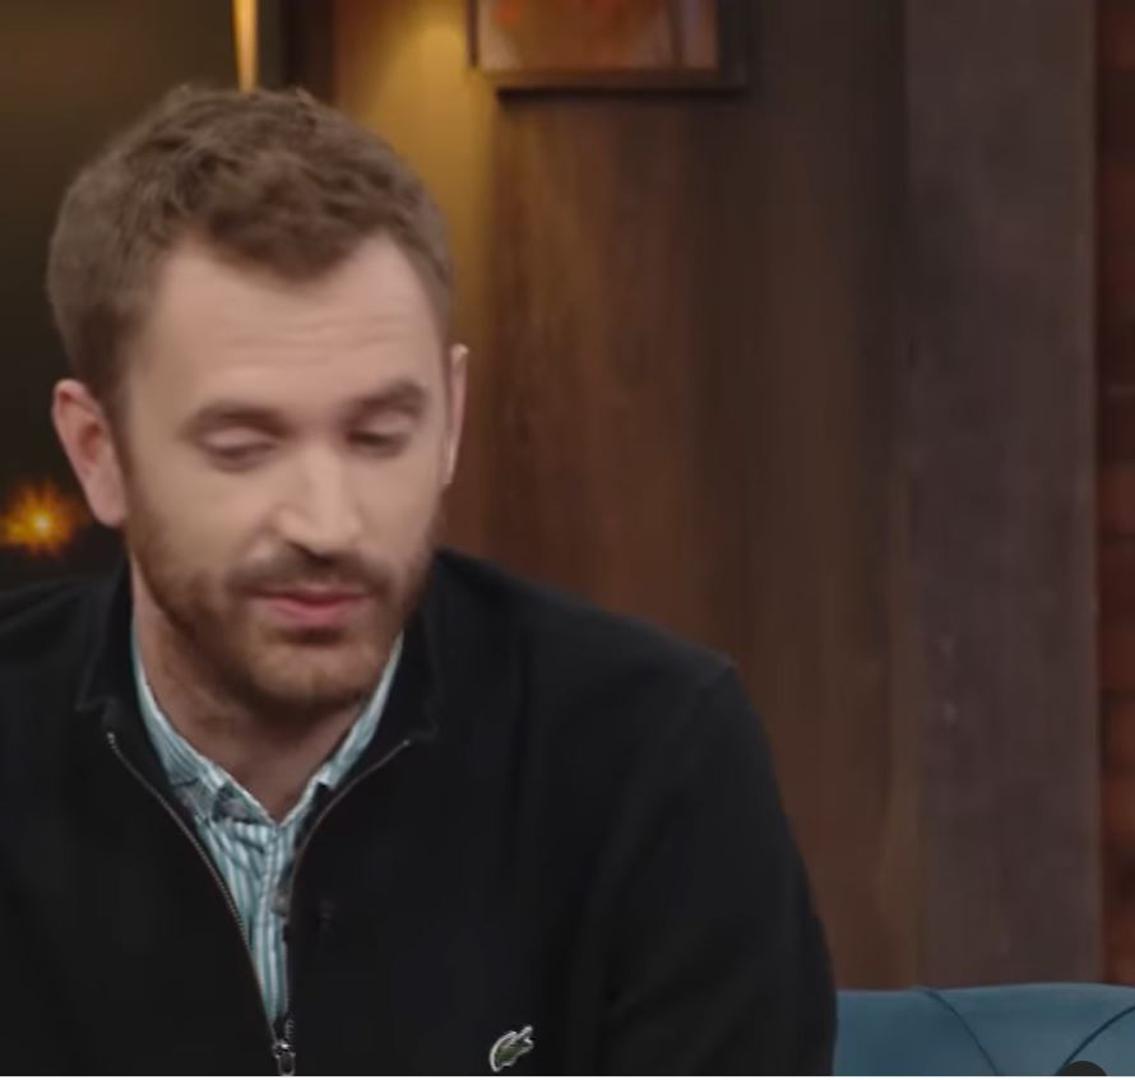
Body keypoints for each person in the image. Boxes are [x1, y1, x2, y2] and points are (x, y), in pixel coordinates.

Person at [0, 85, 834, 1075]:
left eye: (379, 436)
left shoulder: (651, 756)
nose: (328, 523)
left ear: (450, 420)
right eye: (242, 447)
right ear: (98, 452)